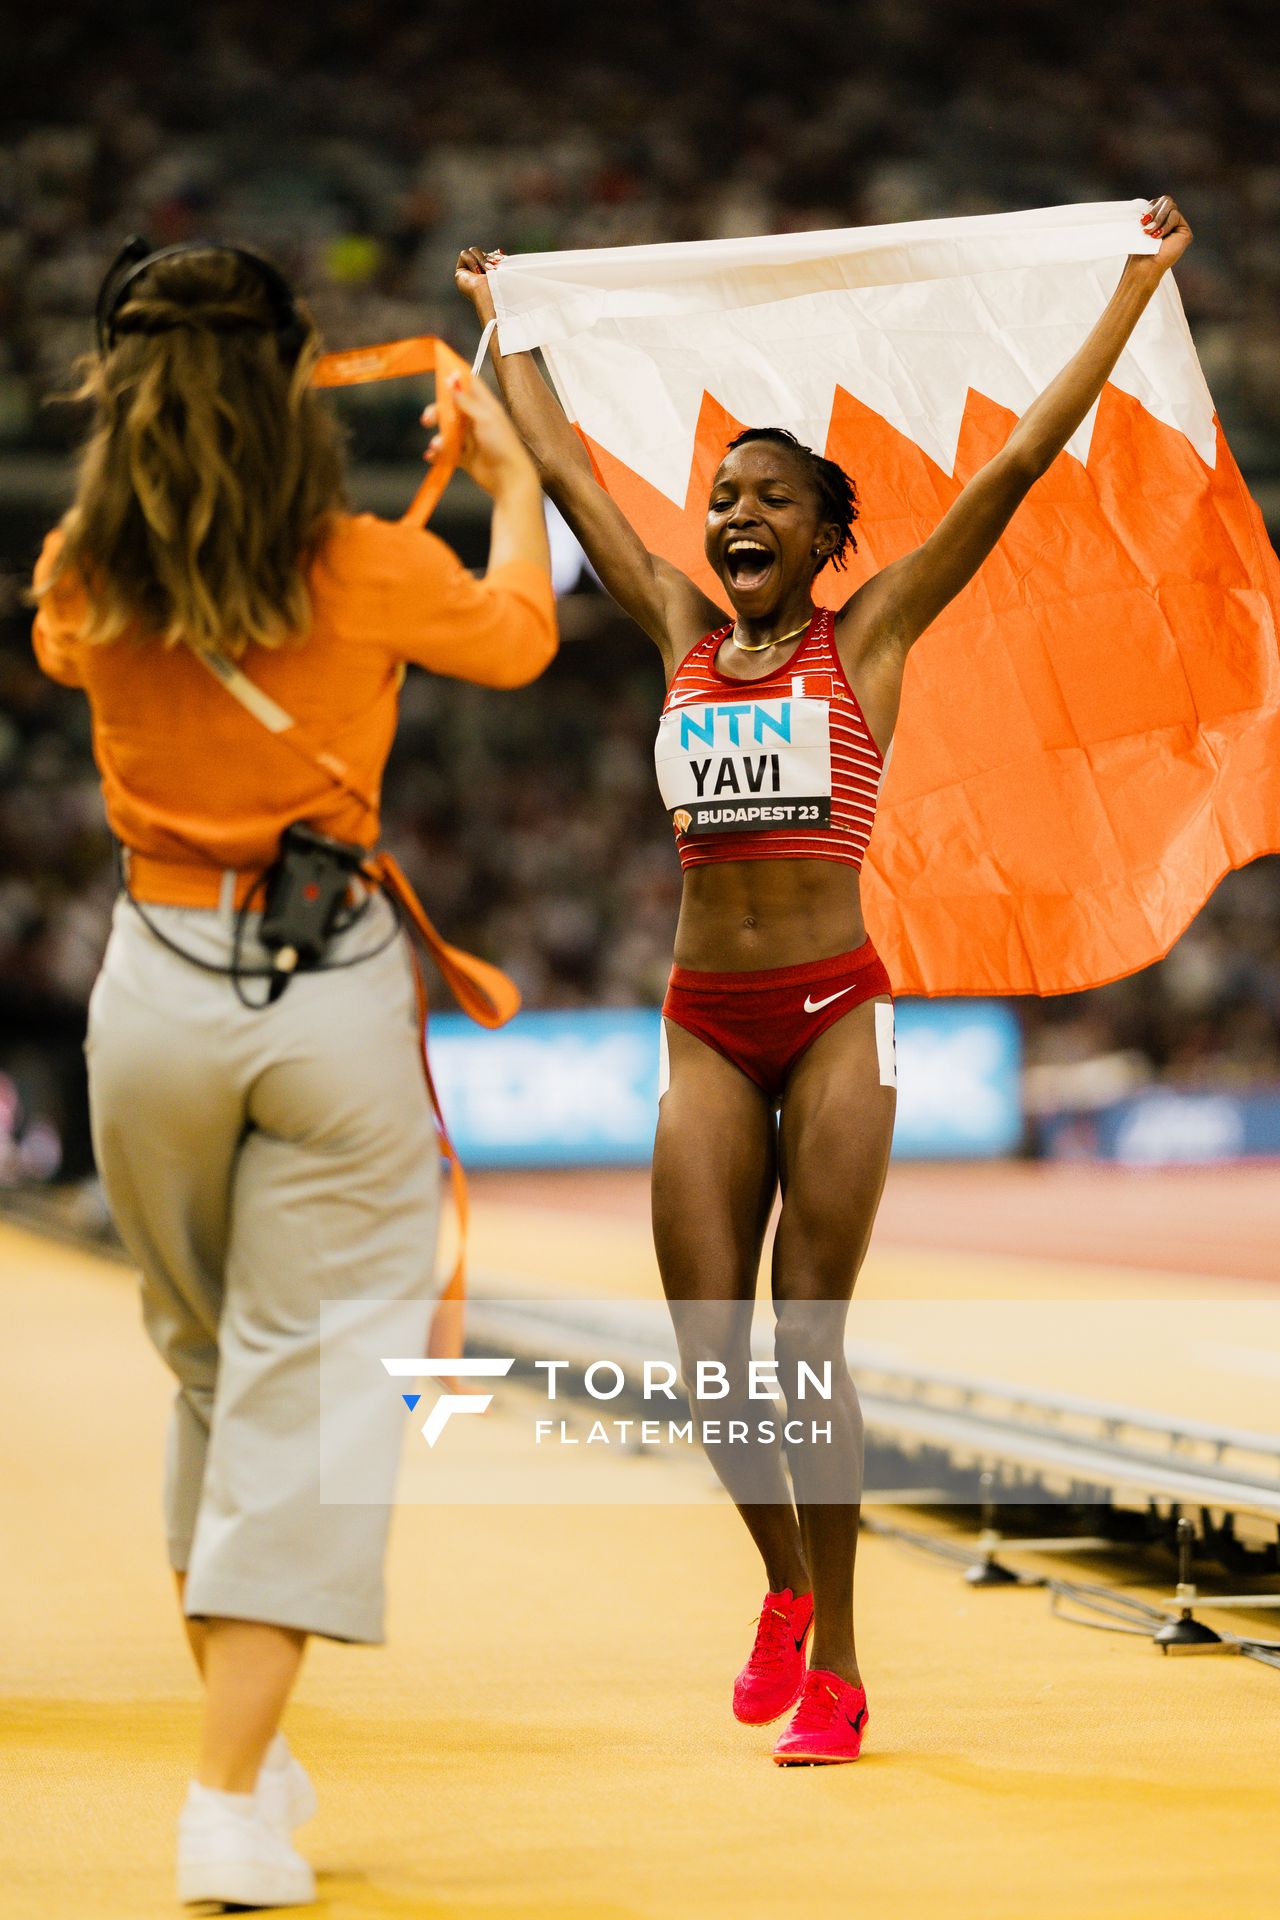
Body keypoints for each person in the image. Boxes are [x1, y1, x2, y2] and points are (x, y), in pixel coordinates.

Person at [456, 194, 1192, 1765]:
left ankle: (842, 1671)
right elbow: (577, 476)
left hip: (835, 1010)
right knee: (709, 1352)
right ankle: (786, 1589)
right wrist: (509, 322)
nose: (733, 515)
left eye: (769, 498)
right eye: (722, 495)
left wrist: (1132, 288)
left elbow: (1011, 467)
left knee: (805, 1346)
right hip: (704, 1027)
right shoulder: (667, 621)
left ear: (820, 535)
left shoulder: (868, 641)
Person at [32, 240, 556, 1904]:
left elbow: (115, 628)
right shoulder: (362, 563)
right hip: (324, 992)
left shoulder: (75, 573)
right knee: (309, 1387)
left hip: (155, 988)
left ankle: (246, 1752)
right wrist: (514, 475)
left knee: (212, 1372)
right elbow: (526, 638)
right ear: (296, 374)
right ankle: (224, 1802)